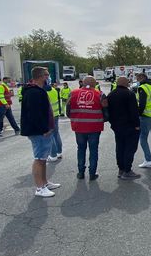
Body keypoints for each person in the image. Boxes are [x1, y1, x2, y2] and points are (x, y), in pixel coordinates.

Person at [20, 67, 60, 197]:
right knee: (39, 159)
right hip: (39, 132)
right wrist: (44, 129)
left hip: (42, 131)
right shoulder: (34, 92)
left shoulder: (37, 90)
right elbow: (35, 114)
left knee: (43, 159)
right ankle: (39, 188)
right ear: (41, 76)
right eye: (47, 75)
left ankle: (44, 182)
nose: (49, 78)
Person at [67, 76, 105, 180]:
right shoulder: (100, 94)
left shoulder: (73, 93)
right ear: (94, 84)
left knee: (81, 149)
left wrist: (75, 118)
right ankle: (92, 173)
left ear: (83, 83)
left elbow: (68, 110)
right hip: (95, 127)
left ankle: (81, 172)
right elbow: (106, 111)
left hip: (78, 127)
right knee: (93, 150)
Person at [107, 77, 141, 180]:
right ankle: (127, 170)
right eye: (128, 82)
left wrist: (112, 123)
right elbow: (133, 111)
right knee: (130, 148)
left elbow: (108, 111)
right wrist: (137, 125)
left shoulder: (111, 94)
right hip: (129, 126)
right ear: (126, 83)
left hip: (117, 127)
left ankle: (121, 169)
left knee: (120, 148)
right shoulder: (129, 94)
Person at [46, 82, 63, 162]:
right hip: (55, 114)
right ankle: (59, 152)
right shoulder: (53, 90)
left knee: (50, 135)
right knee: (56, 133)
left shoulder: (44, 92)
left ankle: (53, 155)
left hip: (48, 115)